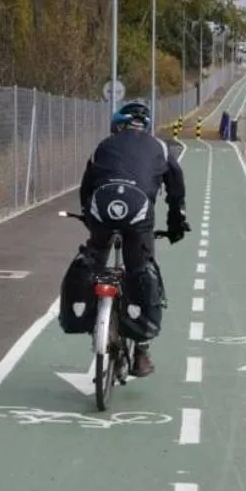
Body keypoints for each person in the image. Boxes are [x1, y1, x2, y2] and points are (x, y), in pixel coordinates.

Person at [58, 101, 190, 377]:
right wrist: (177, 223)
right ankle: (141, 351)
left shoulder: (104, 146)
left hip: (103, 209)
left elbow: (87, 186)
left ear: (116, 126)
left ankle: (91, 314)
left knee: (95, 254)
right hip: (138, 213)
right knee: (141, 267)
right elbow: (176, 188)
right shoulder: (161, 148)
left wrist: (88, 217)